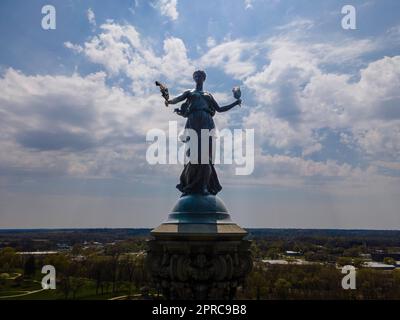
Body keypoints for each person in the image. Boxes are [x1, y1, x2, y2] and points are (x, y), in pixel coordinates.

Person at [166, 70, 242, 195]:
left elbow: (220, 109)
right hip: (193, 121)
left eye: (200, 76)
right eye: (195, 76)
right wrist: (169, 101)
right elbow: (178, 99)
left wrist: (235, 102)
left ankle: (204, 185)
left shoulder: (208, 95)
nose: (198, 77)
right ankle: (190, 183)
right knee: (194, 155)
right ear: (194, 78)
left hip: (207, 122)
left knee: (206, 157)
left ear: (204, 78)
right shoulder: (189, 93)